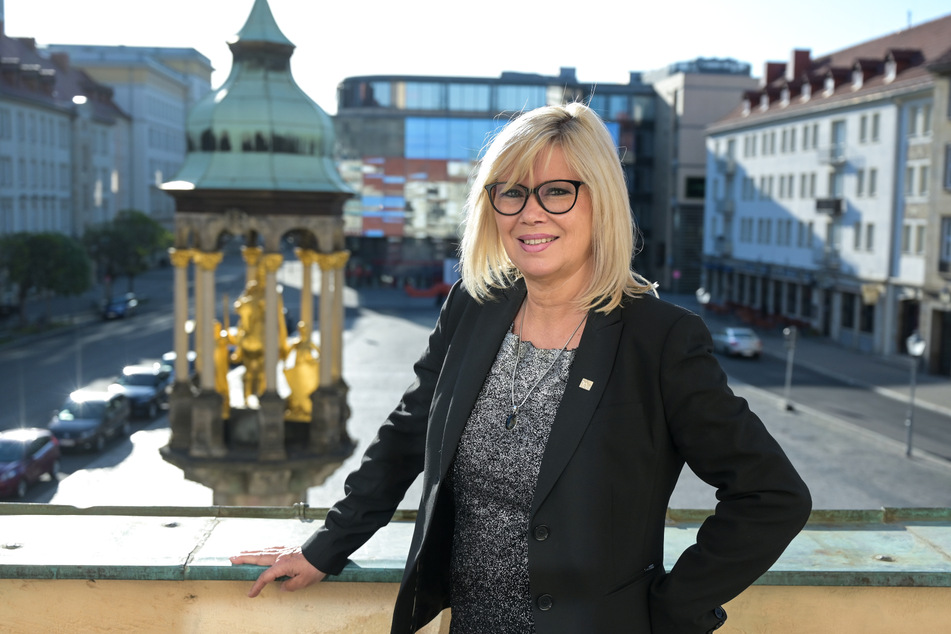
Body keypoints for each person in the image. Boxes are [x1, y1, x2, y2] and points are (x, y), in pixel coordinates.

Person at [230, 103, 812, 633]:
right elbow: (407, 435)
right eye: (510, 193)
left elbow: (772, 495)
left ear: (600, 198)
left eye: (557, 191)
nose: (529, 214)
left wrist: (670, 612)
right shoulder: (472, 307)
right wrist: (326, 546)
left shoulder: (659, 339)